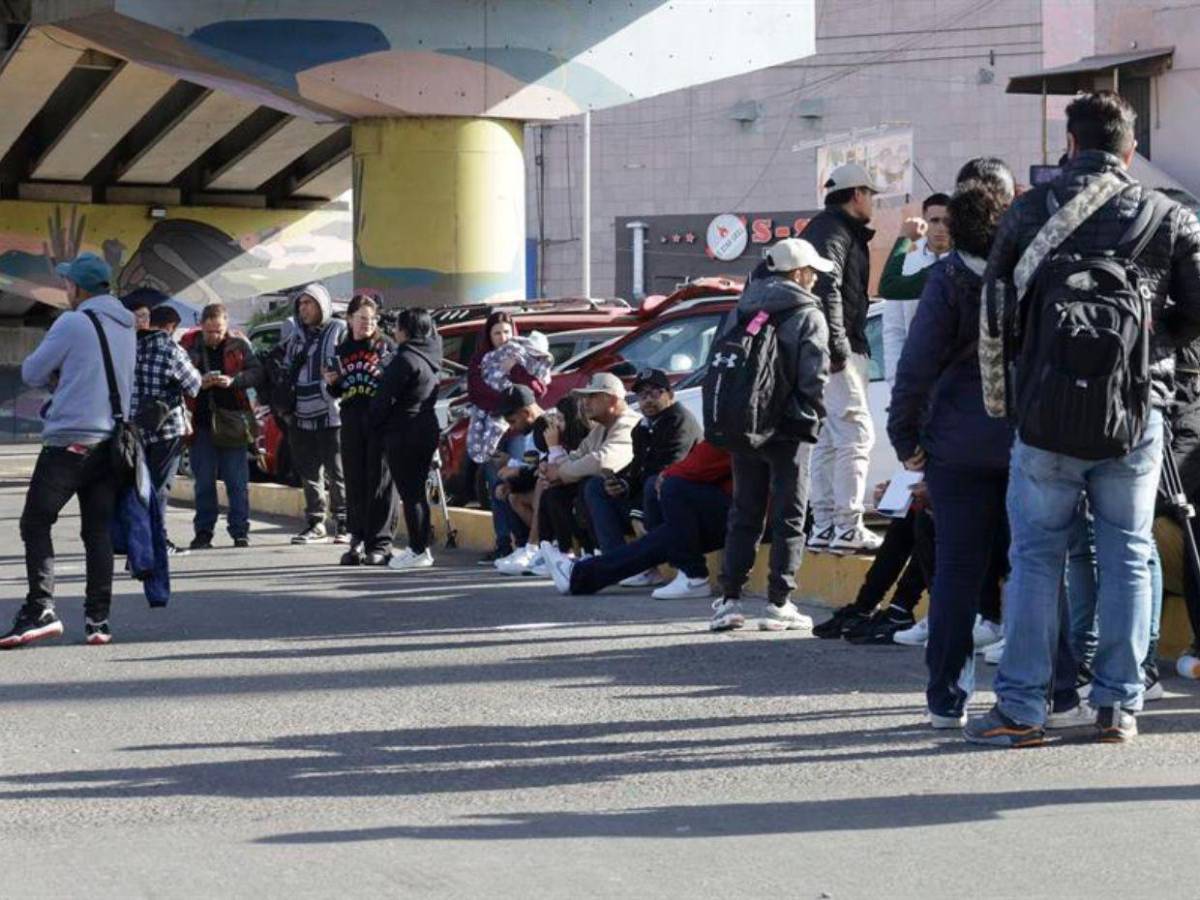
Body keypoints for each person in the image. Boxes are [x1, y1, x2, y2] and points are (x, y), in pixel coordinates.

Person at [968, 92, 1200, 747]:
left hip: (1045, 414)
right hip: (1133, 412)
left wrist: (1016, 388)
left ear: (1069, 144)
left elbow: (995, 309)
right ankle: (1119, 706)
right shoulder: (1167, 214)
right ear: (1130, 150)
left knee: (1036, 558)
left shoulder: (1030, 210)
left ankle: (1022, 710)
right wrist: (1147, 347)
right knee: (1128, 551)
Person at [888, 175, 1016, 729]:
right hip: (1026, 444)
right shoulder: (1028, 274)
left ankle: (946, 695)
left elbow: (916, 364)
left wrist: (904, 436)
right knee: (1035, 568)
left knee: (957, 572)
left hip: (957, 447)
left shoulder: (946, 280)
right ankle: (1046, 689)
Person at [2, 253, 135, 648]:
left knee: (35, 522)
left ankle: (40, 608)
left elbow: (31, 372)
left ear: (78, 288)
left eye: (68, 283)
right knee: (97, 531)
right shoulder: (127, 325)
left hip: (70, 440)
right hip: (111, 442)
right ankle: (98, 620)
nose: (65, 289)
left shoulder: (73, 322)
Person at [708, 238, 830, 633]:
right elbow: (814, 376)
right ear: (799, 273)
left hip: (745, 423)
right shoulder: (808, 312)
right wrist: (812, 416)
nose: (815, 279)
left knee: (745, 511)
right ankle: (779, 602)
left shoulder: (741, 307)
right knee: (789, 515)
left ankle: (729, 600)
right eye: (812, 272)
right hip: (790, 427)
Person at [801, 163, 882, 553]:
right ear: (857, 194)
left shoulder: (826, 228)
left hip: (824, 348)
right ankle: (848, 526)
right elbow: (826, 288)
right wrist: (837, 347)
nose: (873, 203)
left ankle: (825, 525)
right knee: (855, 433)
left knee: (830, 439)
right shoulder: (835, 230)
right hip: (838, 348)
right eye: (871, 195)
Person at [542, 439, 733, 599]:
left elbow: (712, 454)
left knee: (673, 486)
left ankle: (693, 575)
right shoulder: (640, 427)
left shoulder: (682, 419)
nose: (646, 404)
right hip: (727, 509)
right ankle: (578, 574)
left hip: (739, 512)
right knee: (666, 531)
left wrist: (669, 474)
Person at [581, 367, 701, 585]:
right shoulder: (642, 428)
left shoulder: (679, 420)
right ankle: (619, 565)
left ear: (670, 394)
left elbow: (667, 469)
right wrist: (623, 485)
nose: (648, 400)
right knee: (595, 487)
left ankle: (658, 567)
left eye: (655, 393)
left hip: (680, 501)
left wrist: (637, 512)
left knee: (655, 484)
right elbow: (638, 470)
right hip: (648, 498)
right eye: (642, 395)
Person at [467, 311, 549, 564]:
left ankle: (524, 543)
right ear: (488, 336)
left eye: (506, 332)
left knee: (516, 481)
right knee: (496, 486)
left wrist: (515, 370)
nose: (502, 338)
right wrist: (504, 404)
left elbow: (535, 390)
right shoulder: (480, 361)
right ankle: (504, 542)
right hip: (489, 431)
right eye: (497, 333)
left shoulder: (520, 355)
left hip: (515, 433)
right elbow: (477, 392)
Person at [182, 303, 263, 549]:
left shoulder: (239, 344)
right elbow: (178, 377)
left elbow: (257, 373)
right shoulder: (189, 345)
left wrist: (233, 381)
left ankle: (240, 531)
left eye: (218, 331)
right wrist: (199, 382)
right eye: (209, 332)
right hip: (201, 424)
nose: (214, 336)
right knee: (204, 483)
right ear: (201, 326)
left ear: (226, 325)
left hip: (233, 422)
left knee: (237, 482)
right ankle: (203, 532)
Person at [325, 293, 397, 566]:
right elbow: (336, 391)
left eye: (372, 318)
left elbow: (395, 382)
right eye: (362, 318)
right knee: (355, 480)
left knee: (380, 481)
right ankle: (357, 537)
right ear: (349, 319)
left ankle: (380, 543)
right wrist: (331, 381)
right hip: (352, 418)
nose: (368, 323)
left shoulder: (385, 346)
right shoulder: (341, 351)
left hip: (380, 420)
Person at [371, 307, 443, 570]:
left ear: (405, 330)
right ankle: (421, 547)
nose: (394, 331)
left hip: (404, 431)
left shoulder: (405, 359)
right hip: (426, 427)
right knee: (417, 492)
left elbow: (383, 400)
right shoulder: (431, 354)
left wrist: (375, 425)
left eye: (398, 327)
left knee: (410, 493)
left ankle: (417, 548)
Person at [537, 373, 640, 556]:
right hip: (615, 498)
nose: (585, 402)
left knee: (592, 485)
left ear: (611, 399)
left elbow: (602, 461)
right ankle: (578, 553)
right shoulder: (601, 429)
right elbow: (576, 456)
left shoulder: (628, 423)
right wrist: (552, 470)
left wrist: (560, 472)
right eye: (584, 397)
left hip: (635, 500)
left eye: (592, 396)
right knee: (555, 492)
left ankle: (613, 558)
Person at [492, 389, 591, 575]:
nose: (511, 428)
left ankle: (538, 547)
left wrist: (530, 468)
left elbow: (564, 462)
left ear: (526, 412)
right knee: (513, 493)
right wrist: (516, 479)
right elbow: (542, 463)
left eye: (512, 421)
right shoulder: (533, 432)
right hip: (561, 486)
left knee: (544, 486)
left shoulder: (547, 426)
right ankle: (535, 547)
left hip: (575, 487)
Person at [131, 303, 202, 553]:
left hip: (136, 428)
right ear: (170, 326)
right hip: (167, 429)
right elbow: (194, 385)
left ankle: (138, 540)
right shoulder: (171, 350)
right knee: (160, 487)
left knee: (140, 485)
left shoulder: (130, 348)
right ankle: (157, 541)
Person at [283, 282, 348, 545]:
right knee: (309, 473)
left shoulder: (338, 330)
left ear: (322, 304)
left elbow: (346, 367)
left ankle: (344, 522)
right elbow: (288, 368)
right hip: (300, 414)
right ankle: (315, 523)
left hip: (331, 414)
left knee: (337, 471)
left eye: (309, 303)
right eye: (301, 304)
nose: (304, 308)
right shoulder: (296, 336)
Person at [879, 192, 952, 385]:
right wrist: (895, 379)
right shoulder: (906, 264)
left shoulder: (963, 263)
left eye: (947, 221)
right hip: (918, 376)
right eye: (934, 221)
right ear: (924, 222)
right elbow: (894, 329)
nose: (941, 227)